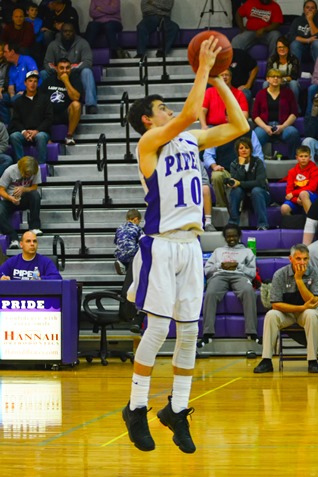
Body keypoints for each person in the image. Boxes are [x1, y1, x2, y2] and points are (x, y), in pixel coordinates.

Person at [122, 35, 249, 453]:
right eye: (161, 108)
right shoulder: (148, 145)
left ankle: (176, 409)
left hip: (192, 247)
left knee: (190, 331)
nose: (170, 111)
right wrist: (201, 70)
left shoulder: (189, 141)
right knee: (159, 327)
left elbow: (239, 126)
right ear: (146, 119)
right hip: (160, 245)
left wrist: (217, 80)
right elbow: (192, 111)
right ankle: (136, 407)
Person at [254, 243, 318, 374]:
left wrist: (299, 280)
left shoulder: (314, 273)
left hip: (305, 314)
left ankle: (313, 361)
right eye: (298, 258)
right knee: (271, 315)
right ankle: (266, 360)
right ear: (290, 259)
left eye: (305, 259)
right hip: (287, 314)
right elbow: (275, 304)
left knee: (312, 314)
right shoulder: (280, 274)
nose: (302, 262)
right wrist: (301, 307)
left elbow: (313, 302)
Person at [198, 223, 258, 348]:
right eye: (229, 236)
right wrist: (220, 265)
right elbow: (207, 270)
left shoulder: (247, 252)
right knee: (210, 293)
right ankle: (207, 334)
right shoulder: (218, 251)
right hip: (220, 276)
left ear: (239, 236)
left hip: (240, 276)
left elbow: (252, 273)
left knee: (248, 291)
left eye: (234, 236)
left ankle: (252, 333)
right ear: (224, 237)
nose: (231, 239)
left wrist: (238, 266)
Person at [43, 22, 98, 114]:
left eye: (70, 31)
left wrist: (70, 69)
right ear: (61, 32)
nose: (68, 33)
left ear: (74, 32)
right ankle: (43, 104)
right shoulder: (53, 45)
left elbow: (87, 62)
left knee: (87, 71)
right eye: (65, 31)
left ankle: (90, 105)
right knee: (43, 73)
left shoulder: (82, 43)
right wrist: (59, 71)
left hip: (76, 75)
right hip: (58, 75)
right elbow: (47, 63)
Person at [203, 130, 264, 208]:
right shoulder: (217, 132)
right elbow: (207, 155)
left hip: (245, 169)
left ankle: (244, 207)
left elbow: (258, 155)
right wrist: (214, 166)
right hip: (224, 170)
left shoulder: (249, 132)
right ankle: (222, 207)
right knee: (216, 175)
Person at [252, 68, 300, 160]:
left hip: (283, 125)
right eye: (273, 76)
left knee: (293, 133)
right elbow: (255, 115)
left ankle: (294, 161)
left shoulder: (288, 93)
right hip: (265, 126)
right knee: (256, 135)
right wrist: (265, 127)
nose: (275, 79)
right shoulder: (260, 94)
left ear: (281, 80)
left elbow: (294, 113)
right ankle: (256, 163)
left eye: (278, 77)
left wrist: (283, 126)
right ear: (267, 79)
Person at [9, 70, 53, 164]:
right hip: (25, 133)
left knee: (41, 137)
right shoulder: (18, 101)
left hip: (40, 132)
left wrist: (37, 131)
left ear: (37, 83)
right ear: (25, 83)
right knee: (14, 136)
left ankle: (41, 166)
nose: (32, 84)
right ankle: (21, 165)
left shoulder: (44, 98)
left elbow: (49, 118)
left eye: (35, 81)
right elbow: (16, 120)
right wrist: (24, 132)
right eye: (30, 81)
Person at [227, 136, 271, 230]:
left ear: (251, 150)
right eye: (241, 148)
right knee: (236, 191)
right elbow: (235, 183)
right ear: (237, 151)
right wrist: (241, 165)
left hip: (261, 196)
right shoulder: (234, 164)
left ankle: (262, 224)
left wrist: (240, 183)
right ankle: (233, 224)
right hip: (244, 199)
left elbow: (260, 182)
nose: (244, 150)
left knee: (256, 190)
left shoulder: (258, 162)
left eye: (247, 147)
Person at [0, 156, 42, 249]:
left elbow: (34, 187)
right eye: (27, 174)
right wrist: (10, 198)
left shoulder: (36, 169)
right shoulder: (10, 171)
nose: (28, 176)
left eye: (30, 174)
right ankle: (13, 238)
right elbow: (1, 189)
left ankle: (34, 227)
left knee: (35, 195)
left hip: (23, 198)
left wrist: (24, 189)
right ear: (21, 169)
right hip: (9, 199)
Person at [40, 57, 82, 146]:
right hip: (49, 114)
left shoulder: (75, 79)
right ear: (56, 68)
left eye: (67, 68)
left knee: (76, 105)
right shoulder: (48, 80)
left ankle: (69, 136)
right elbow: (40, 99)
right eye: (62, 68)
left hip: (65, 114)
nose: (65, 71)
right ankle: (45, 136)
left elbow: (76, 97)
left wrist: (66, 81)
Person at [281, 145, 318, 217]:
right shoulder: (292, 172)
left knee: (303, 194)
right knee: (284, 208)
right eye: (301, 156)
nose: (303, 158)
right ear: (297, 158)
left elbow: (312, 187)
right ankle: (295, 225)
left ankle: (312, 224)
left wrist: (294, 193)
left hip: (312, 196)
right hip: (296, 199)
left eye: (306, 156)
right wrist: (296, 200)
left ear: (310, 158)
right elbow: (289, 192)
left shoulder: (315, 170)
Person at [264, 36, 301, 107]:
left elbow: (294, 76)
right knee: (265, 83)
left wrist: (283, 79)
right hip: (275, 81)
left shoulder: (294, 59)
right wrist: (277, 80)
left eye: (284, 47)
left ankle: (294, 106)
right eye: (279, 47)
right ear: (276, 49)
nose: (282, 49)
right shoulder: (272, 59)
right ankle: (267, 107)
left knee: (294, 83)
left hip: (288, 82)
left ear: (288, 48)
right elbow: (268, 75)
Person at [114, 208, 143, 275]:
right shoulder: (138, 229)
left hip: (120, 255)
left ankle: (122, 263)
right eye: (139, 221)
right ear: (136, 219)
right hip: (132, 255)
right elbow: (142, 241)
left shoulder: (120, 228)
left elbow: (116, 241)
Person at [0, 41, 10, 124]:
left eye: (2, 51)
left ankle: (7, 126)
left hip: (4, 90)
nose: (0, 53)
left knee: (2, 98)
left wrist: (1, 89)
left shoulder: (8, 64)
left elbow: (7, 81)